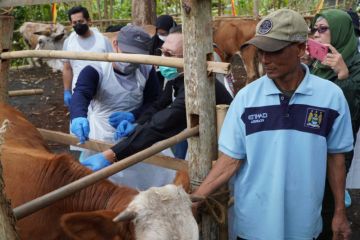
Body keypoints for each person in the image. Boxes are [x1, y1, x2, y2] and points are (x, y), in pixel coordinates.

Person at [193, 9, 353, 240]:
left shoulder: (330, 97)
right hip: (253, 225)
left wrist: (339, 211)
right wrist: (197, 199)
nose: (265, 59)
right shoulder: (246, 99)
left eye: (274, 51)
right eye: (261, 51)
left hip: (304, 224)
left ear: (300, 49)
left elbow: (336, 157)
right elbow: (231, 159)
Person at [79, 25, 232, 188]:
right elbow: (158, 105)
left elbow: (160, 124)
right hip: (201, 139)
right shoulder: (178, 78)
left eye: (169, 54)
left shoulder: (195, 89)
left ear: (191, 57)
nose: (162, 58)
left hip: (222, 146)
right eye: (162, 51)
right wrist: (137, 121)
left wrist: (111, 155)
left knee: (213, 187)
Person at [70, 25, 160, 160]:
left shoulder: (146, 69)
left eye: (138, 56)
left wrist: (135, 117)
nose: (131, 61)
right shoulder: (95, 69)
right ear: (115, 44)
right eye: (128, 54)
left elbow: (154, 101)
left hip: (135, 130)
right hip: (102, 133)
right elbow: (81, 93)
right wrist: (78, 115)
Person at [308, 9, 360, 239]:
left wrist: (343, 75)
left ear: (340, 32)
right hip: (309, 144)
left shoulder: (355, 69)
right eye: (314, 30)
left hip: (336, 151)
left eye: (323, 29)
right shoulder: (316, 67)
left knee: (329, 200)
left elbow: (351, 115)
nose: (316, 35)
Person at [62, 6, 113, 107]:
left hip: (102, 89)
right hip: (78, 90)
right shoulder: (68, 43)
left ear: (89, 21)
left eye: (80, 21)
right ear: (71, 24)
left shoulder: (103, 41)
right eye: (74, 23)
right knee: (80, 119)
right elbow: (67, 68)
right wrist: (67, 90)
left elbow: (112, 66)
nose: (78, 25)